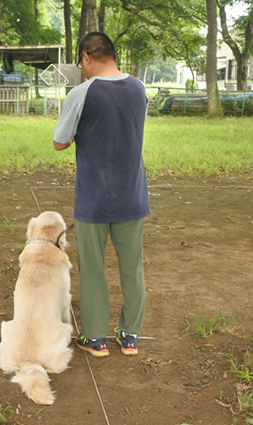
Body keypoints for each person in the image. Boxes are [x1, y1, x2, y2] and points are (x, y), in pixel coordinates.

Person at [52, 32, 150, 357]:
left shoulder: (81, 93)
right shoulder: (138, 89)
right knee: (132, 268)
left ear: (86, 58)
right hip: (132, 194)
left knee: (92, 268)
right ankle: (130, 335)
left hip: (94, 198)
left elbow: (60, 142)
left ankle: (95, 339)